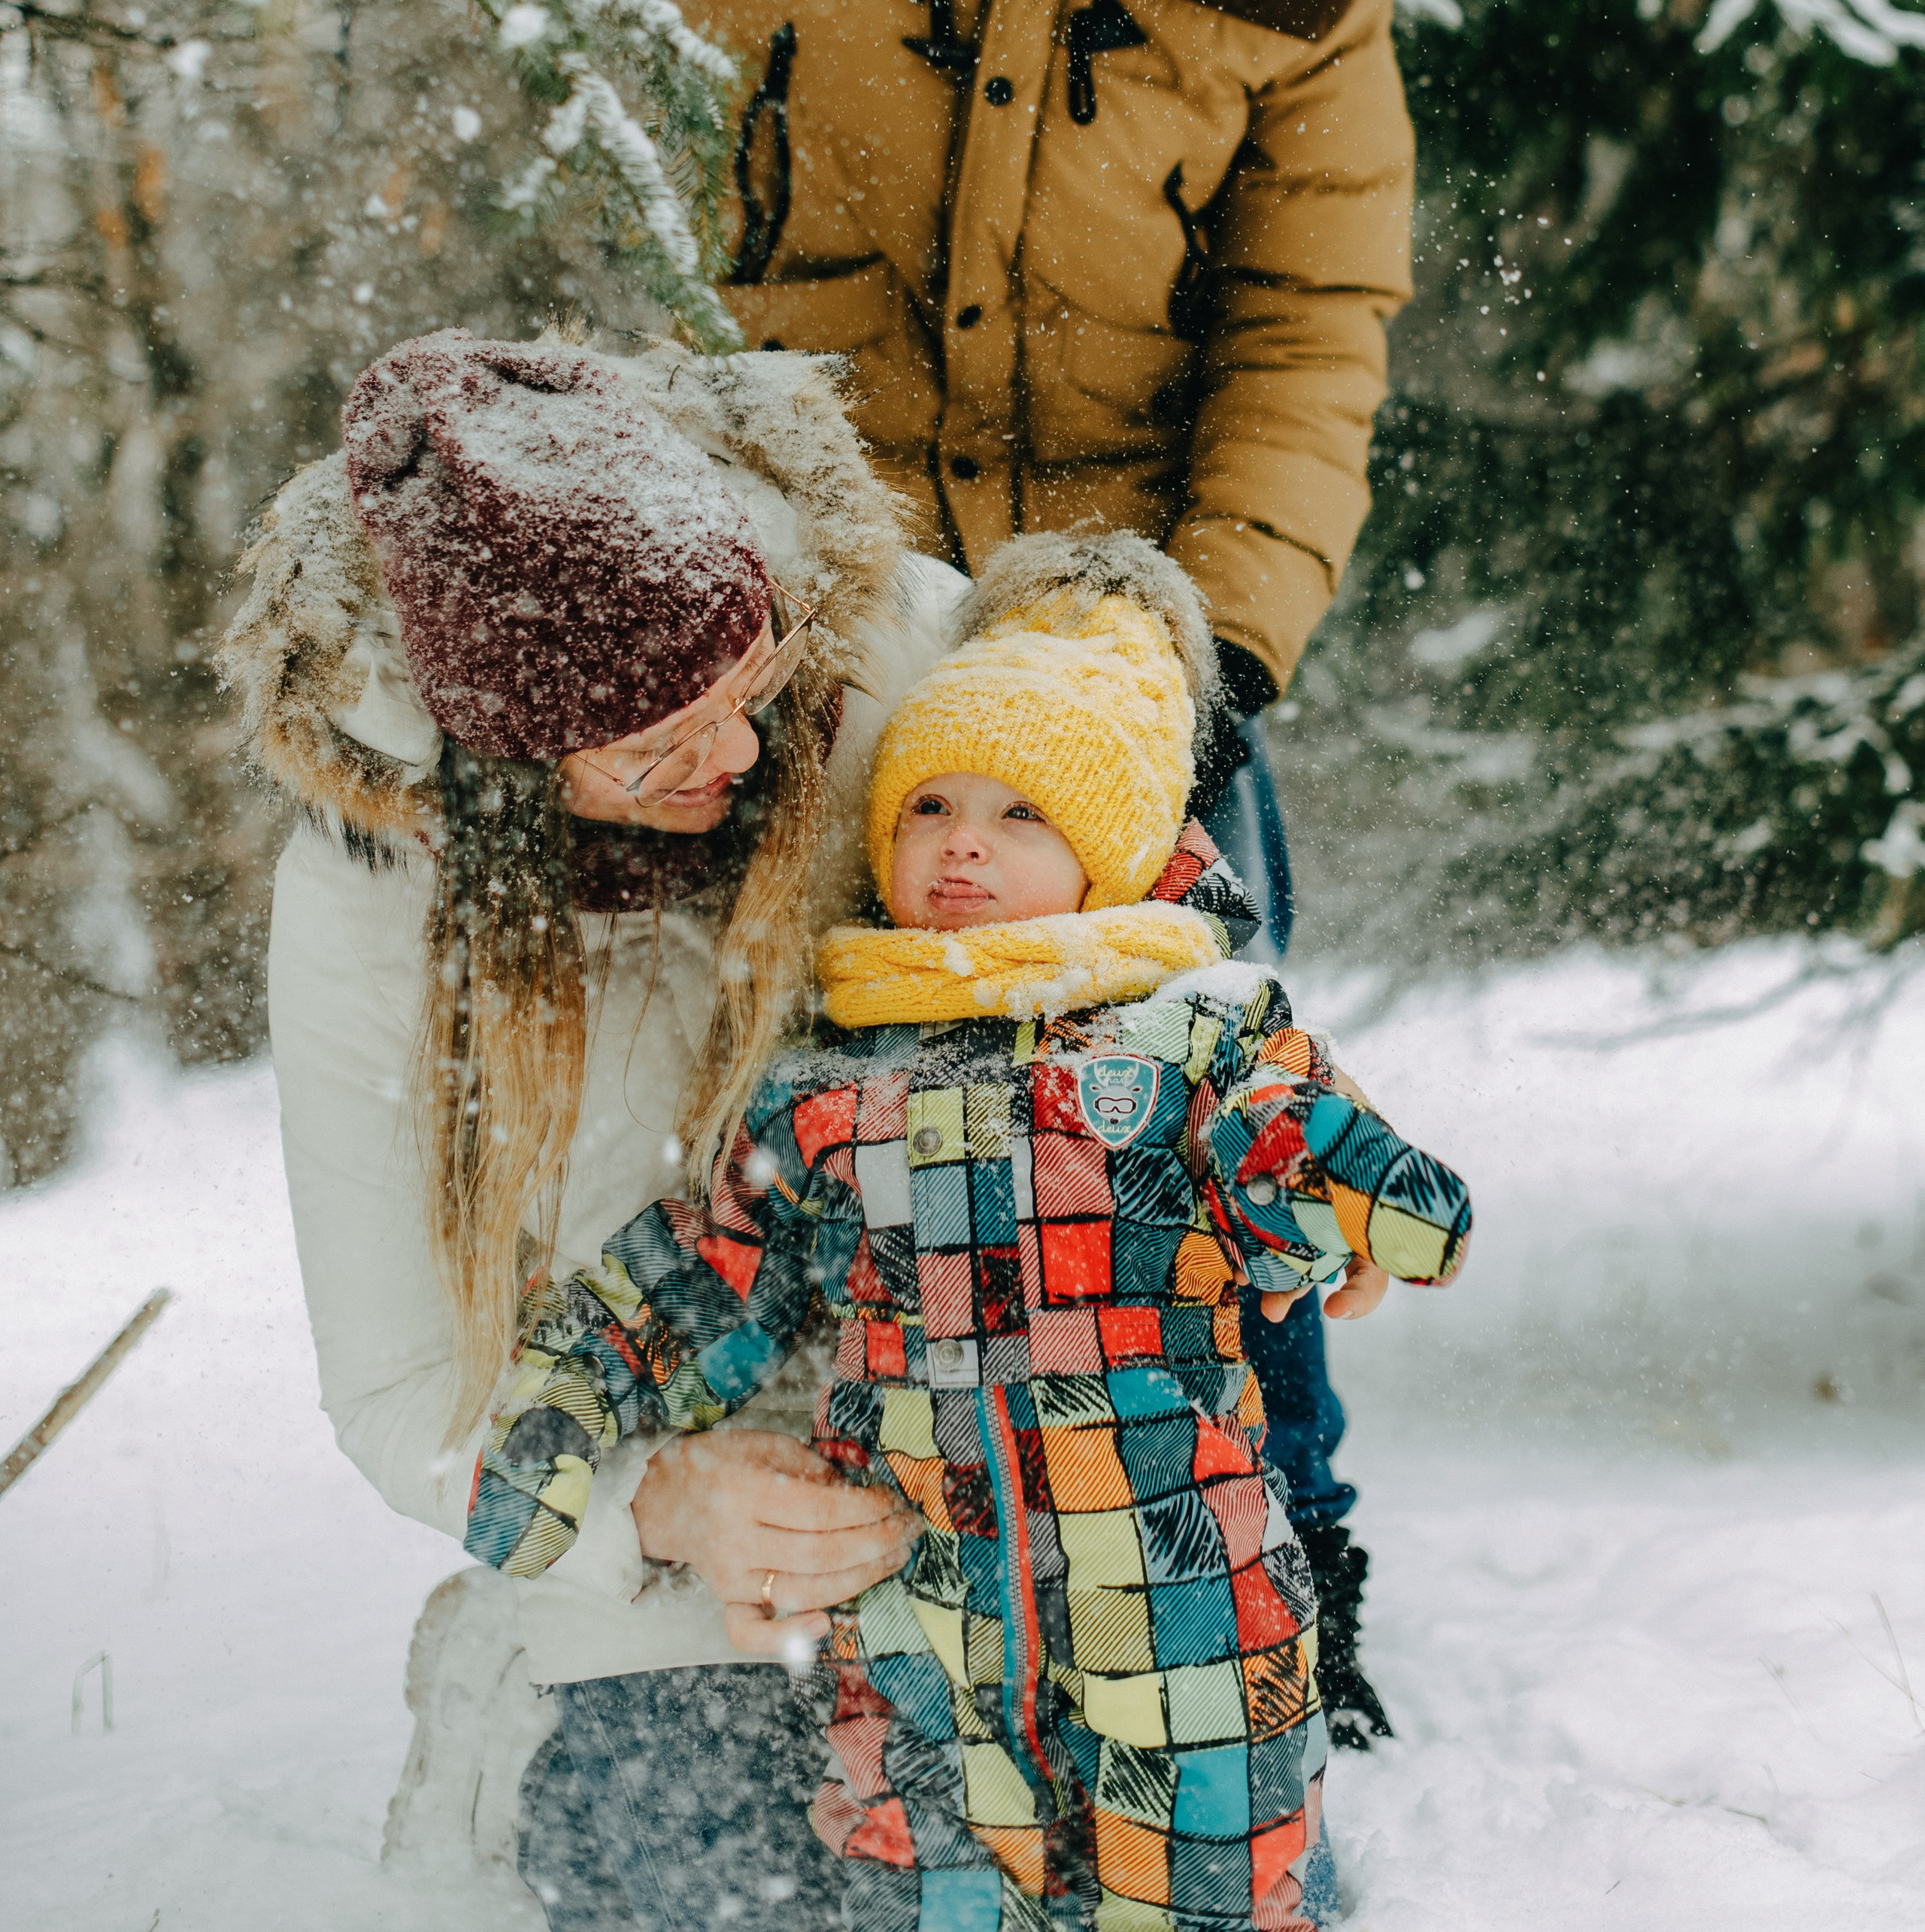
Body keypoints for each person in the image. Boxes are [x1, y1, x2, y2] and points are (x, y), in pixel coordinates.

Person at [643, 0, 1457, 1734]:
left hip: (1108, 634)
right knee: (775, 1127)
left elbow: (1319, 312)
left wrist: (1214, 649)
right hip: (783, 589)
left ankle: (1274, 1560)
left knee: (1196, 1107)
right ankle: (808, 1617)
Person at [465, 534, 1470, 1932]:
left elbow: (1290, 1135)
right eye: (931, 803)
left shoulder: (1191, 1039)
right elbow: (707, 1270)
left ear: (1111, 848)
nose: (963, 842)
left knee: (1207, 1863)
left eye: (1022, 814)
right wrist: (569, 1401)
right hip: (926, 1586)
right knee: (935, 1850)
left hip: (1174, 1552)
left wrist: (1359, 1190)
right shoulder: (834, 1088)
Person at [223, 325, 974, 1927]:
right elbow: (400, 1390)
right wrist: (657, 1501)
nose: (744, 753)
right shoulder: (371, 898)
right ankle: (511, 1676)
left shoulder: (870, 657)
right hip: (645, 1517)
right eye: (653, 750)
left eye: (749, 682)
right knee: (738, 1891)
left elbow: (1118, 892)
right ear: (508, 773)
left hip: (965, 1450)